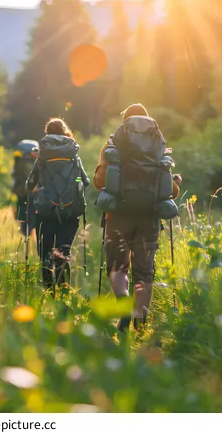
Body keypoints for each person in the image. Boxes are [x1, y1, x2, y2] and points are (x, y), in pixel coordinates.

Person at [94, 103, 182, 332]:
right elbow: (169, 191)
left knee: (117, 265)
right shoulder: (157, 144)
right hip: (149, 218)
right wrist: (176, 186)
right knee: (144, 270)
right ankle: (141, 323)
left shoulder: (113, 144)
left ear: (126, 121)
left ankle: (123, 302)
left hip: (118, 216)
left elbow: (100, 182)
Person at [26, 118, 89, 290]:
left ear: (47, 134)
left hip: (46, 211)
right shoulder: (73, 154)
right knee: (63, 253)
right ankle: (64, 291)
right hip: (70, 211)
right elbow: (84, 180)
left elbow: (30, 183)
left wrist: (39, 186)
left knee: (45, 253)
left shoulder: (43, 156)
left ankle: (49, 291)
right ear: (65, 132)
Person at [11, 139, 39, 238]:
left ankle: (26, 236)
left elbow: (14, 175)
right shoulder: (35, 161)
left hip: (21, 192)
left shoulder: (18, 160)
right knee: (32, 214)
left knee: (23, 215)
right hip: (33, 192)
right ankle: (30, 235)